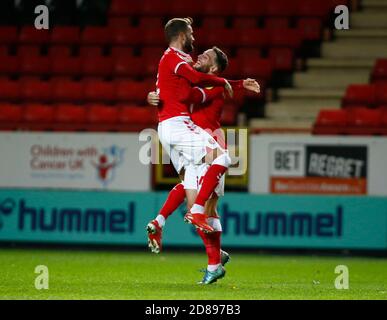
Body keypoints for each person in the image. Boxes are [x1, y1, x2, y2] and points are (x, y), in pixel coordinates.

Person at [147, 46, 260, 284]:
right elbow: (186, 90)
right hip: (196, 141)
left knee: (204, 207)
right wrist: (155, 95)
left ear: (214, 68)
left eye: (206, 57)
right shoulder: (209, 81)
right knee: (200, 204)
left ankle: (214, 260)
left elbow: (188, 94)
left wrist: (163, 91)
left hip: (207, 142)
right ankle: (214, 259)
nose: (199, 57)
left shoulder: (211, 85)